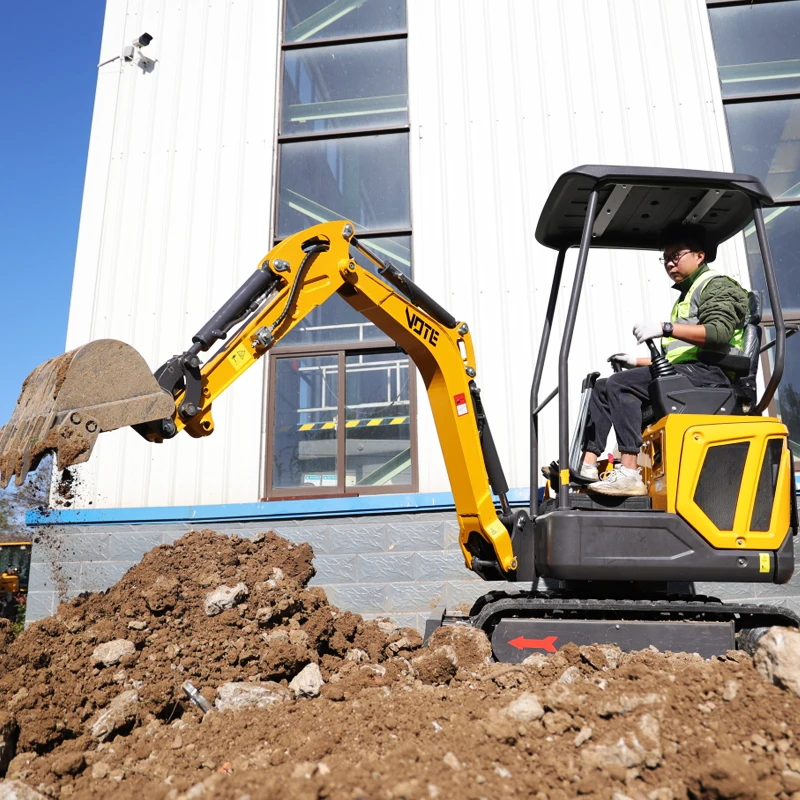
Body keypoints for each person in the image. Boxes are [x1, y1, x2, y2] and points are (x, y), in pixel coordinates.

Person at [580, 223, 749, 496]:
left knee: (621, 385)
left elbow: (718, 334)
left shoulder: (716, 286)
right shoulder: (687, 294)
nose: (670, 263)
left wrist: (665, 327)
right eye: (666, 258)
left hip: (711, 376)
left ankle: (629, 471)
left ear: (699, 255)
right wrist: (637, 362)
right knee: (603, 387)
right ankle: (587, 466)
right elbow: (677, 356)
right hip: (690, 371)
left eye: (676, 255)